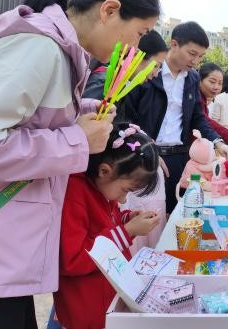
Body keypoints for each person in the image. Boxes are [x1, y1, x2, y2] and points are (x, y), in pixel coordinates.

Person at [0, 0, 160, 329]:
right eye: (139, 33)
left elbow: (25, 124)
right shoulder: (38, 47)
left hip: (1, 256)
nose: (135, 48)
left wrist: (80, 116)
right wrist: (75, 140)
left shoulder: (64, 55)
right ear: (109, 10)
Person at [53, 123, 161, 329]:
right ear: (104, 171)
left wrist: (126, 219)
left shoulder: (100, 187)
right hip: (87, 310)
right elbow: (72, 260)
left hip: (104, 302)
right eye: (126, 190)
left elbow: (105, 222)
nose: (122, 200)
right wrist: (127, 231)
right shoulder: (74, 193)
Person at [125, 21, 228, 214]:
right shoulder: (149, 71)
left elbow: (198, 118)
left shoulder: (192, 79)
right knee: (144, 214)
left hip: (179, 158)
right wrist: (142, 148)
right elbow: (128, 118)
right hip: (146, 155)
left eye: (200, 56)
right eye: (192, 54)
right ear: (174, 44)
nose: (195, 61)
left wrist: (218, 142)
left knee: (177, 213)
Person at [84, 30, 169, 121]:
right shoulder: (106, 84)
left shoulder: (121, 84)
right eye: (155, 66)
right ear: (136, 55)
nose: (156, 74)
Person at [198, 62, 228, 152]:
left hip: (222, 136)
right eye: (212, 82)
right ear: (199, 79)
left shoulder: (219, 97)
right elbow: (206, 121)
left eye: (220, 83)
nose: (216, 87)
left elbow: (211, 120)